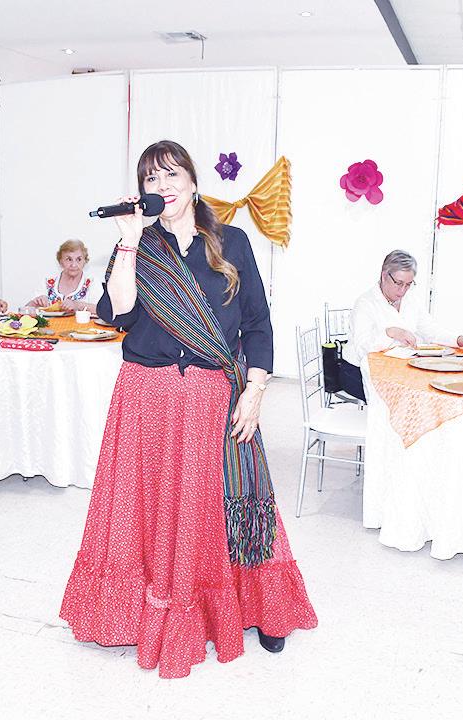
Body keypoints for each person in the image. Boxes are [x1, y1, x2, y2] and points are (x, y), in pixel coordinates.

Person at [59, 140, 317, 679]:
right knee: (148, 508)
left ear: (193, 182)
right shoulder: (138, 246)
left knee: (223, 504)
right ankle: (144, 611)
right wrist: (129, 242)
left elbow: (257, 323)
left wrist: (255, 390)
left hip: (211, 395)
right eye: (151, 179)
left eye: (171, 174)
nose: (162, 186)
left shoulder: (231, 241)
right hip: (147, 396)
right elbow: (119, 313)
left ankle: (255, 607)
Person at [343, 250, 463, 401]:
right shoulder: (365, 303)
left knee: (436, 386)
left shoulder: (411, 299)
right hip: (359, 372)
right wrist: (390, 332)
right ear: (384, 275)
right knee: (412, 395)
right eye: (398, 283)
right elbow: (363, 349)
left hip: (399, 369)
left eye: (408, 284)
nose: (402, 290)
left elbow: (431, 330)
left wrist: (458, 339)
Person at [24, 239, 98, 313]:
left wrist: (77, 305)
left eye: (79, 259)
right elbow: (24, 311)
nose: (74, 265)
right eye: (69, 259)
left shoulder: (91, 282)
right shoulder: (48, 281)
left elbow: (101, 310)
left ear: (85, 261)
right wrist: (35, 303)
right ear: (60, 261)